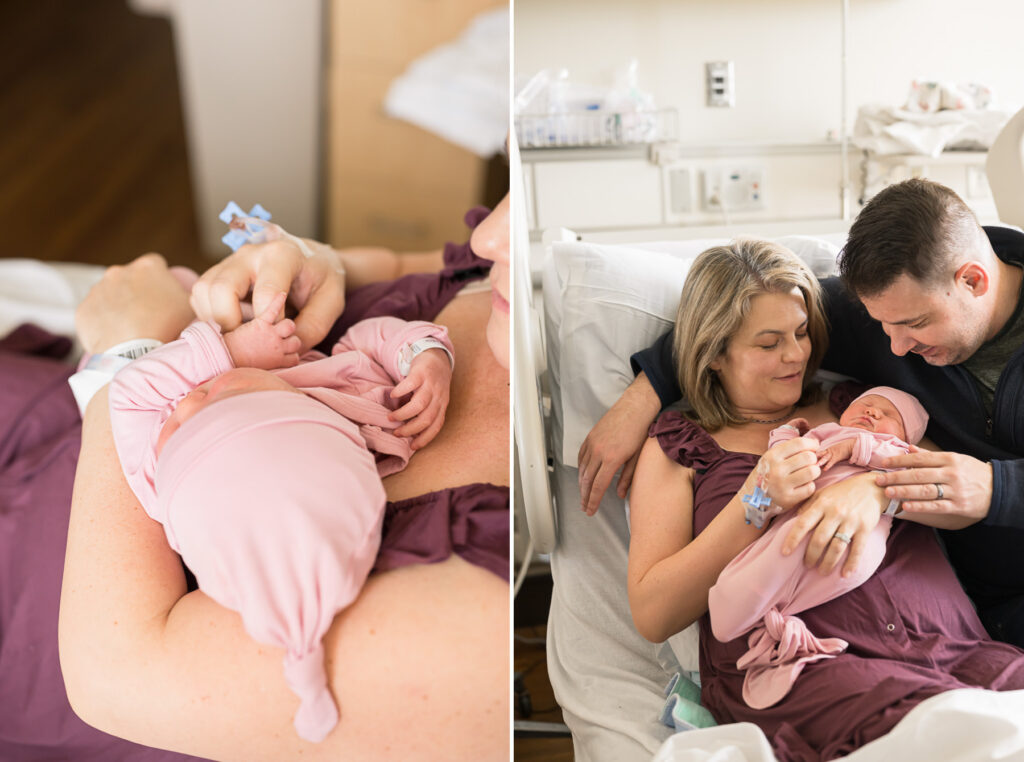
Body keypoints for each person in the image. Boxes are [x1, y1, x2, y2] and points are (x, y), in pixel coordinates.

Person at [58, 197, 510, 760]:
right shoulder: (359, 397)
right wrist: (317, 260)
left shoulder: (155, 463)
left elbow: (113, 670)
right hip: (72, 450)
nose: (490, 238)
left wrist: (135, 344)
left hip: (71, 582)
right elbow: (396, 275)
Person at [628, 238, 1024, 761]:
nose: (796, 355)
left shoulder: (866, 407)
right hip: (811, 665)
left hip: (948, 641)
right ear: (715, 353)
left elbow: (954, 500)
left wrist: (874, 490)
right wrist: (755, 502)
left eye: (801, 333)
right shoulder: (679, 447)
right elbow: (654, 613)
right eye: (768, 344)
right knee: (944, 730)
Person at [582, 178, 1024, 646]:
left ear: (973, 280)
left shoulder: (864, 378)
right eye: (882, 326)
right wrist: (641, 397)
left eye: (915, 325)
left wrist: (997, 488)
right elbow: (739, 319)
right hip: (961, 617)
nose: (896, 347)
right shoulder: (888, 304)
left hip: (969, 622)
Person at [107, 286, 455, 743]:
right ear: (300, 405)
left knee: (174, 286)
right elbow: (369, 339)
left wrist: (230, 352)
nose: (187, 401)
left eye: (180, 428)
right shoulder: (350, 396)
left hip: (158, 345)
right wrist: (428, 360)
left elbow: (128, 390)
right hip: (250, 326)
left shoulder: (156, 473)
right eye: (222, 398)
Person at [707, 386, 928, 711]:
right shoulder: (826, 433)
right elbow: (777, 467)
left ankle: (755, 614)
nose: (873, 412)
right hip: (797, 521)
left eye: (889, 415)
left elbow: (909, 470)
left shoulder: (897, 451)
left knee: (809, 557)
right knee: (769, 556)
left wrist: (854, 447)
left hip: (856, 539)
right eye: (865, 404)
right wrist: (785, 436)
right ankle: (758, 615)